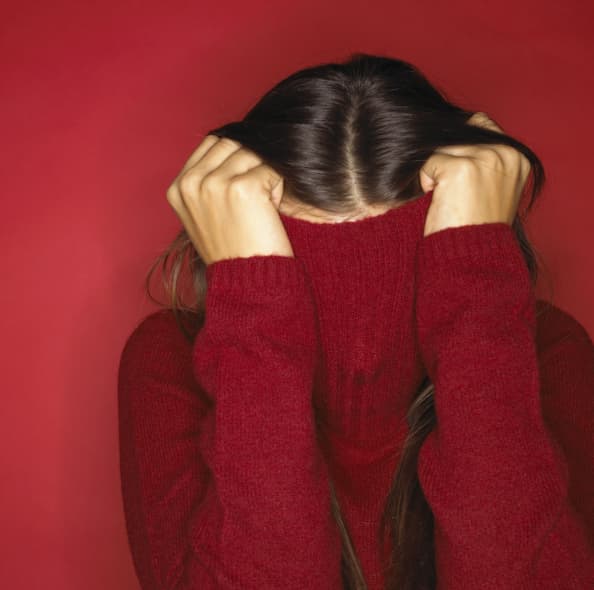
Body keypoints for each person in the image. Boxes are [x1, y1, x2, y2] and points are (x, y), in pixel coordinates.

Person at [117, 53, 594, 590]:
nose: (362, 350)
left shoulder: (548, 351)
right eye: (309, 277)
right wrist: (252, 312)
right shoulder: (167, 362)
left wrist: (478, 291)